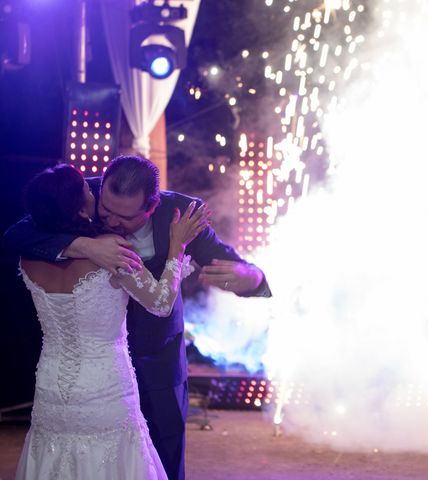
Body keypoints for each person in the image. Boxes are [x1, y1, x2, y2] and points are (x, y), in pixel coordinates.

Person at [4, 155, 271, 480]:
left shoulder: (183, 214)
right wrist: (85, 245)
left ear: (151, 205)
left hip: (158, 356)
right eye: (107, 211)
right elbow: (15, 235)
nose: (112, 221)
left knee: (162, 458)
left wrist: (252, 277)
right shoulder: (81, 194)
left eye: (125, 217)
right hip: (99, 371)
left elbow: (233, 264)